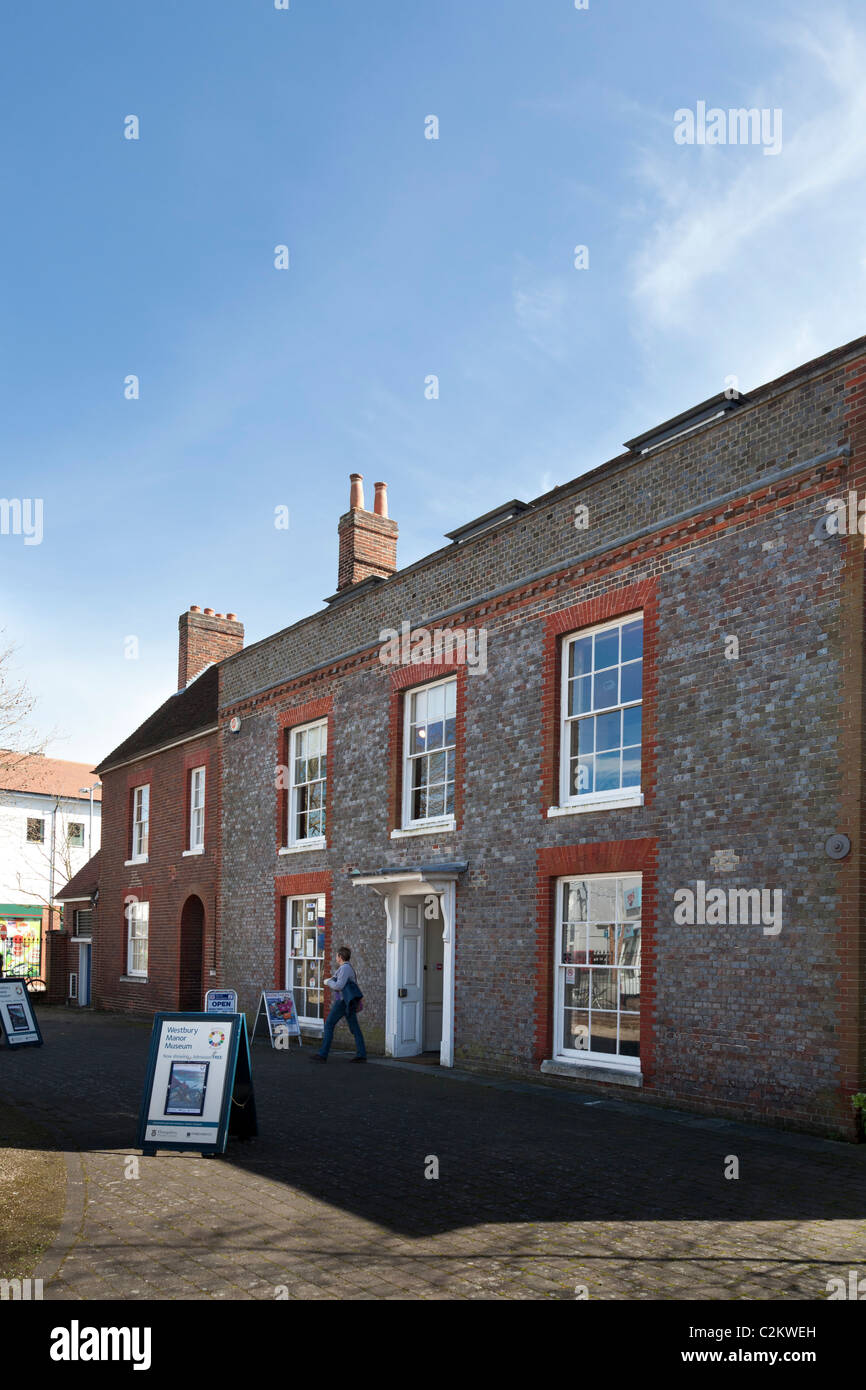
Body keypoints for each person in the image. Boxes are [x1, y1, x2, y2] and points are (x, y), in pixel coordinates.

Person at [311, 946, 366, 1062]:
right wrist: (331, 980)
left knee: (329, 1024)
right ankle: (361, 1055)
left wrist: (328, 982)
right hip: (347, 1001)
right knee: (355, 1028)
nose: (335, 957)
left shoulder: (345, 969)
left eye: (336, 955)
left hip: (342, 1002)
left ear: (340, 957)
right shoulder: (345, 968)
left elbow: (339, 985)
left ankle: (323, 1054)